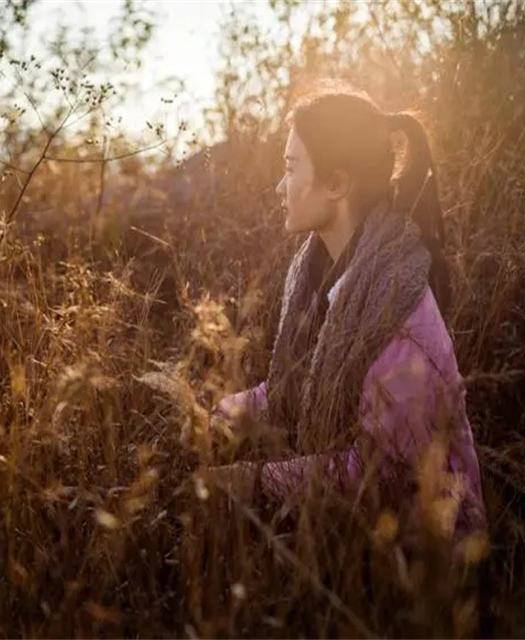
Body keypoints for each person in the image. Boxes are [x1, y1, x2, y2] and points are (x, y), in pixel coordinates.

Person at [207, 86, 485, 540]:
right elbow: (296, 387)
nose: (280, 186)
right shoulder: (316, 273)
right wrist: (229, 411)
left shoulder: (398, 306)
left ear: (336, 184)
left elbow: (386, 474)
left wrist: (257, 481)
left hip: (424, 563)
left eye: (291, 168)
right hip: (354, 534)